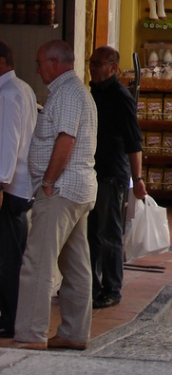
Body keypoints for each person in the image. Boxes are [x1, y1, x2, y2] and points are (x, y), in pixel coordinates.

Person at [11, 40, 98, 351]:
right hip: (77, 189)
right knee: (75, 264)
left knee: (37, 262)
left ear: (53, 63)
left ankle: (31, 334)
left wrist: (48, 180)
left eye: (38, 63)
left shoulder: (68, 93)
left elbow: (66, 139)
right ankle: (74, 332)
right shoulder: (73, 92)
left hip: (62, 190)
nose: (36, 69)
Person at [88, 45, 147, 310]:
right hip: (92, 172)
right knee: (91, 234)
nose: (94, 67)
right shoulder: (94, 93)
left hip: (111, 174)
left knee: (109, 234)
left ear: (113, 67)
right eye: (92, 62)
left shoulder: (120, 96)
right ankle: (90, 286)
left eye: (99, 63)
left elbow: (134, 141)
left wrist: (138, 178)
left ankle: (112, 288)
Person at [0, 42, 37, 339]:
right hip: (20, 185)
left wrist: (1, 183)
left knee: (8, 259)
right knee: (11, 255)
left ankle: (10, 319)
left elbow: (8, 144)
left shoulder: (8, 95)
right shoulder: (24, 89)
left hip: (10, 189)